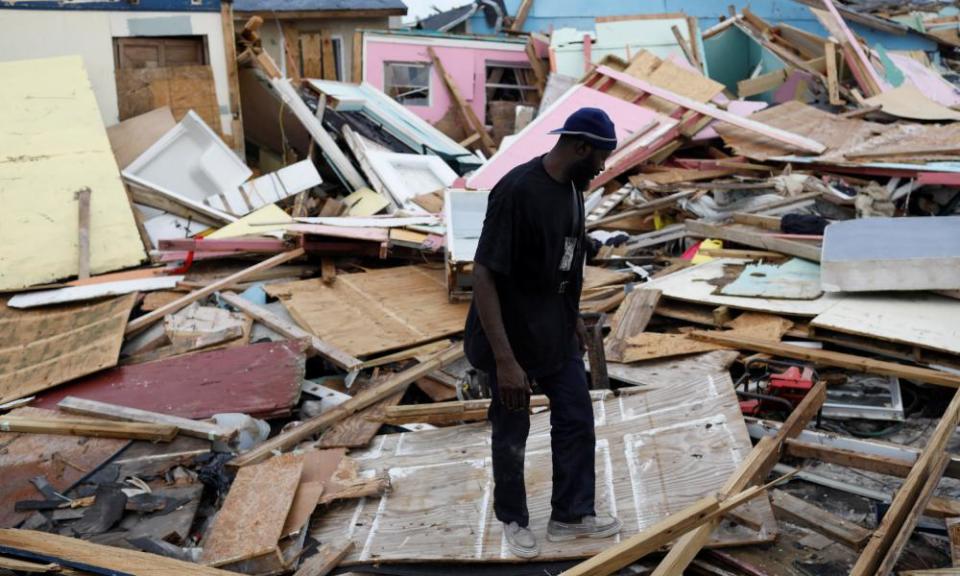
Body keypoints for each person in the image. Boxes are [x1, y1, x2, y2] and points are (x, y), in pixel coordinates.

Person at [463, 108, 622, 559]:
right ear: (581, 147)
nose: (603, 167)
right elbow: (484, 274)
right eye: (601, 158)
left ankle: (571, 515)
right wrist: (506, 362)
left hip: (553, 332)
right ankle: (513, 518)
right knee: (511, 429)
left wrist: (571, 317)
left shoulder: (574, 190)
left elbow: (570, 260)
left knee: (575, 416)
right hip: (510, 339)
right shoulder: (516, 191)